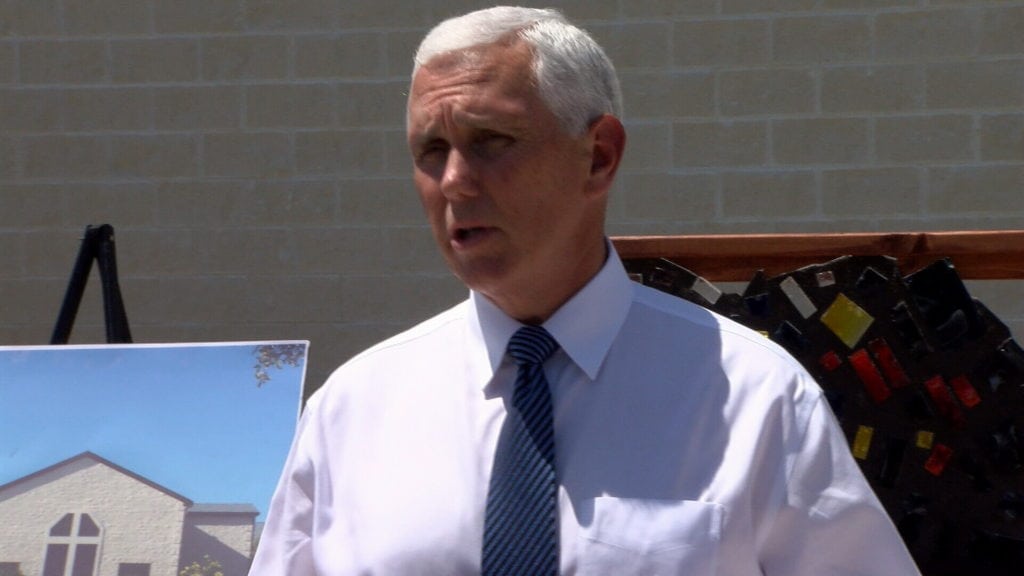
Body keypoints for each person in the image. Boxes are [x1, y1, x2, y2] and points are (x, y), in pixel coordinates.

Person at [249, 6, 921, 575]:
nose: (453, 180)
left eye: (490, 141)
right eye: (431, 150)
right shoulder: (353, 411)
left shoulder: (753, 398)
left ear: (598, 156)